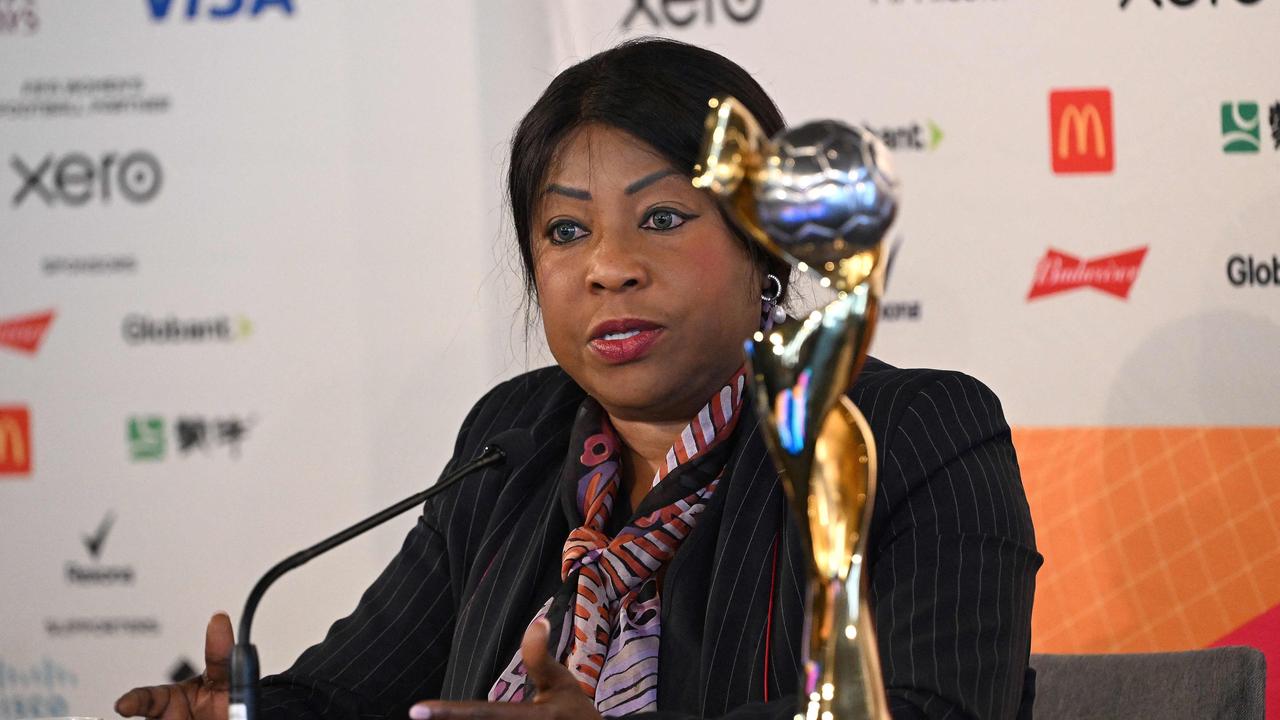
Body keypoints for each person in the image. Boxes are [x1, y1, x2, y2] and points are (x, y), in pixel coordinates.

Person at [115, 38, 1041, 720]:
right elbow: (354, 693)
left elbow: (936, 711)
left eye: (664, 218)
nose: (610, 266)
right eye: (566, 233)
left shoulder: (909, 430)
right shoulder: (514, 445)